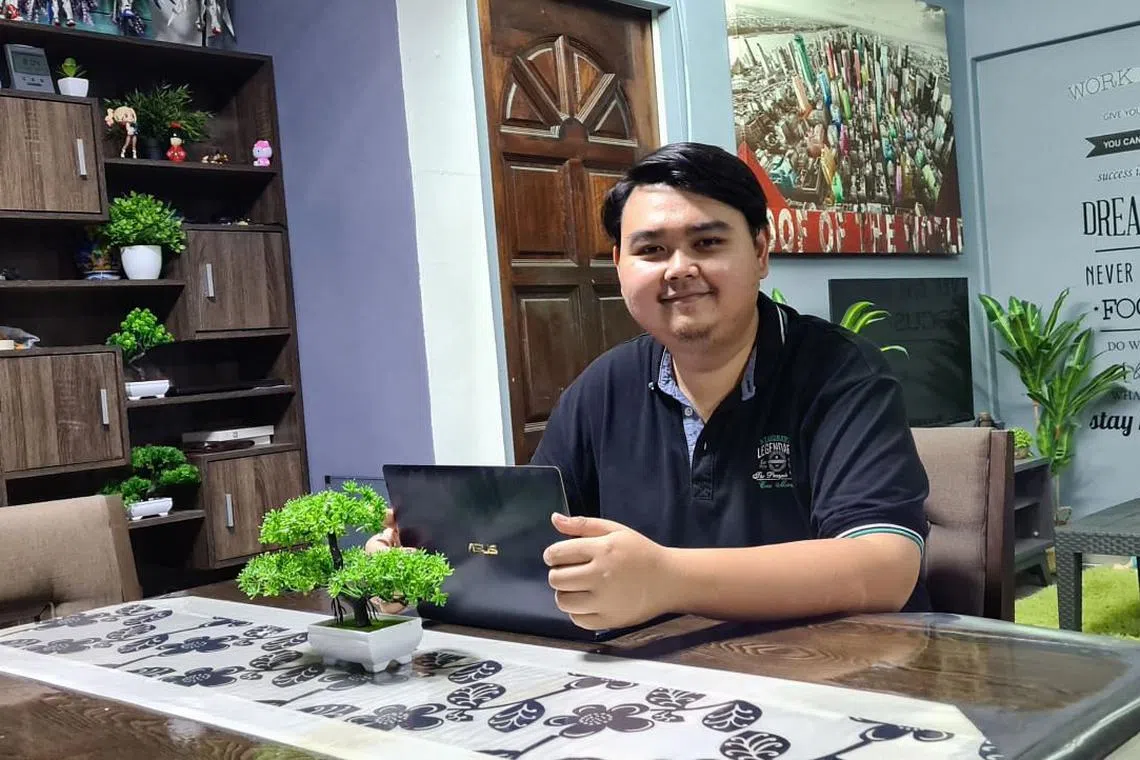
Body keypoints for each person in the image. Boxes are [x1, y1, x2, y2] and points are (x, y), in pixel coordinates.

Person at [368, 141, 931, 631]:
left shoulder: (841, 373)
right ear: (619, 264)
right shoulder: (603, 387)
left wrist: (665, 578)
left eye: (707, 244)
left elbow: (885, 567)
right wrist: (417, 565)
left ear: (760, 251)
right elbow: (533, 541)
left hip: (831, 669)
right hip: (658, 670)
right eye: (651, 250)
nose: (678, 268)